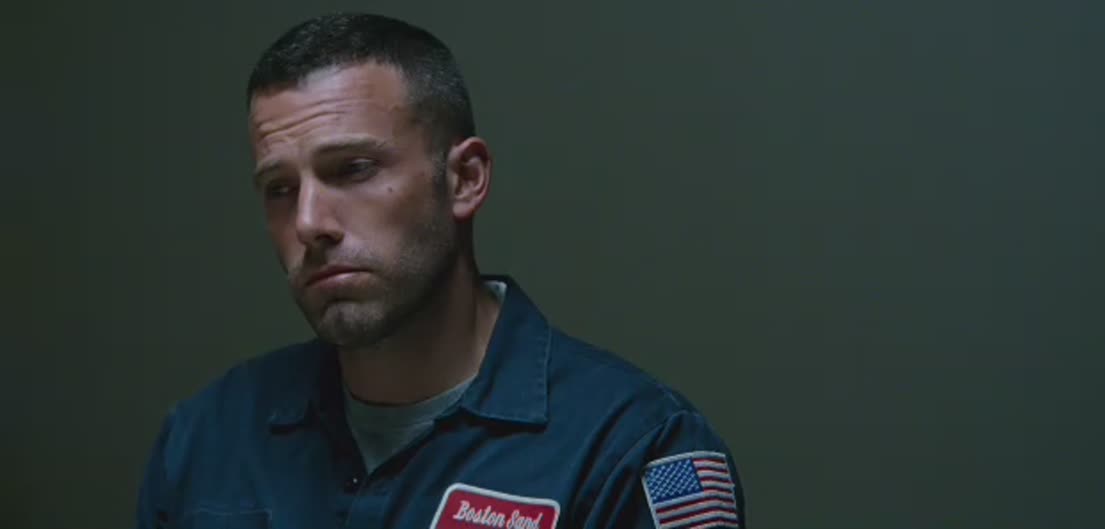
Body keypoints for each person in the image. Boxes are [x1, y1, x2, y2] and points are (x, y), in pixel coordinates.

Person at [134, 12, 745, 529]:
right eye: (279, 188)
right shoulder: (206, 438)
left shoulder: (633, 447)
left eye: (353, 169)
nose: (309, 221)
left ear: (464, 180)